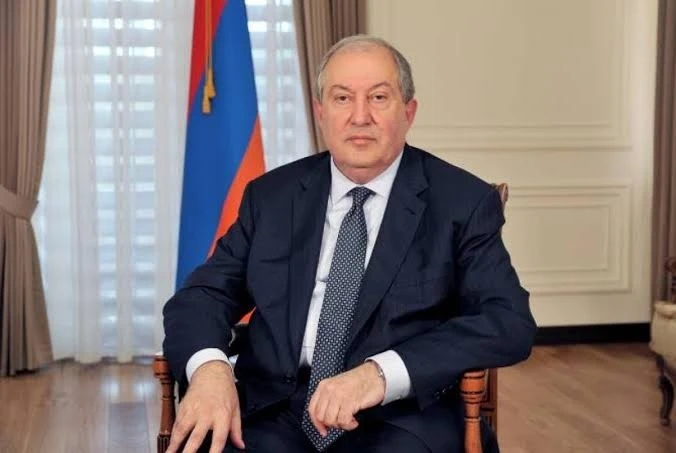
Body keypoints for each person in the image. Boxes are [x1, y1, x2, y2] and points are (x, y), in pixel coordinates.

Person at [162, 34, 537, 453]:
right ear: (320, 113)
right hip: (275, 408)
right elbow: (201, 297)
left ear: (408, 112)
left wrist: (380, 374)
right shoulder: (271, 197)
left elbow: (507, 321)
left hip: (400, 415)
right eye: (342, 98)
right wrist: (211, 371)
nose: (360, 117)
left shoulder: (462, 202)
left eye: (378, 97)